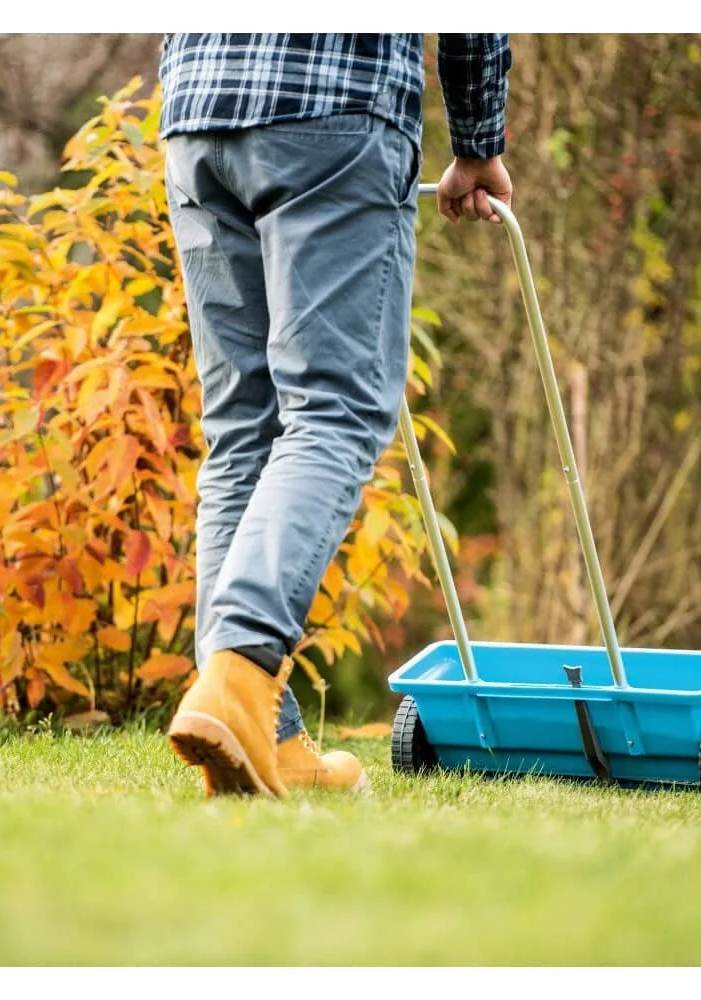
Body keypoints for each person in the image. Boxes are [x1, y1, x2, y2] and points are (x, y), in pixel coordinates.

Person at [158, 33, 513, 798]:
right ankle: (240, 680)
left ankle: (267, 738)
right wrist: (478, 143)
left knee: (241, 430)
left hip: (198, 104)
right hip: (333, 102)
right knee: (335, 410)